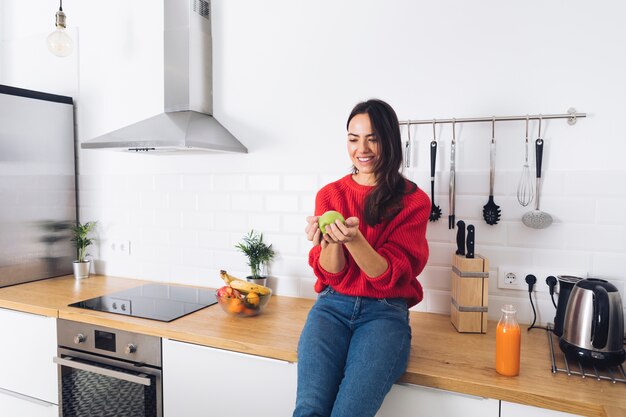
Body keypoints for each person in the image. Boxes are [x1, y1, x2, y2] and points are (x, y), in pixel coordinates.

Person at [293, 99, 430, 417]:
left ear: (390, 140)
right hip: (330, 308)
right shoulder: (330, 195)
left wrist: (355, 240)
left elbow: (387, 277)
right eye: (353, 139)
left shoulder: (414, 201)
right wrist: (330, 242)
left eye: (373, 138)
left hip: (383, 315)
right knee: (308, 410)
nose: (362, 148)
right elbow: (333, 274)